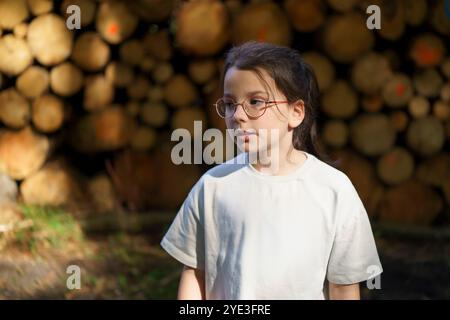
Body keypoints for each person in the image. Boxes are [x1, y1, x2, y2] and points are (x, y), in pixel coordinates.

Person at [160, 41, 383, 300]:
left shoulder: (334, 190)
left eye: (255, 101)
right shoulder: (212, 186)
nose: (238, 115)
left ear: (296, 112)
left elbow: (343, 287)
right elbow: (194, 273)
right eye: (230, 104)